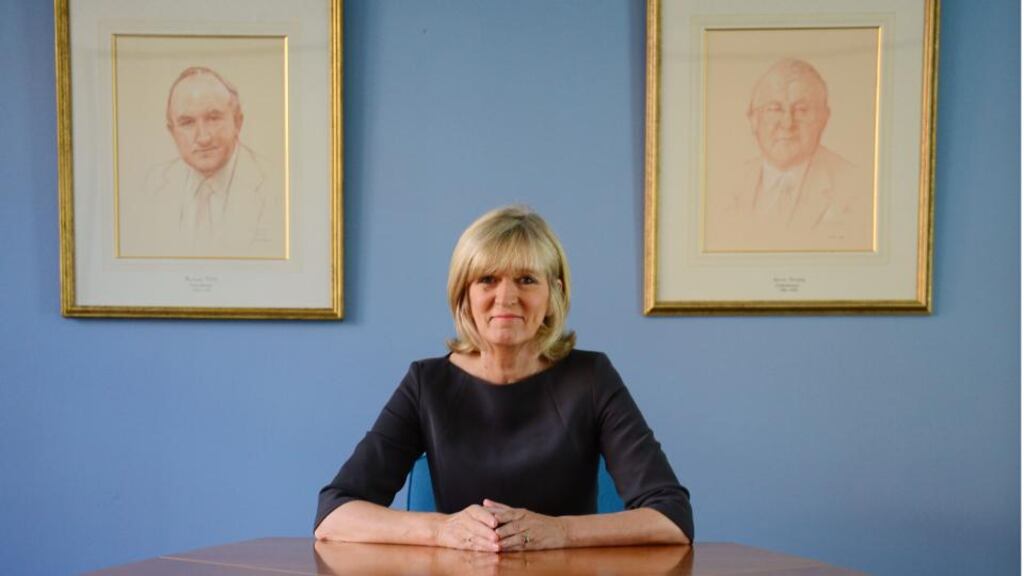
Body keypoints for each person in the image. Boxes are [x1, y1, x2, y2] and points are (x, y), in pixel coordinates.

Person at [315, 206, 693, 552]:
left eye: (527, 279)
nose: (506, 296)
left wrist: (561, 532)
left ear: (554, 293)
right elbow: (335, 514)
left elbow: (671, 517)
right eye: (487, 279)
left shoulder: (591, 378)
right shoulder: (426, 383)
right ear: (464, 294)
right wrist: (441, 530)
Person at [707, 58, 872, 252]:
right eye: (774, 109)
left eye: (801, 110)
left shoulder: (858, 186)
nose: (787, 123)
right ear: (753, 119)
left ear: (824, 118)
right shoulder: (723, 185)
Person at [121, 66, 283, 258]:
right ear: (172, 132)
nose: (203, 137)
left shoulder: (277, 185)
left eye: (214, 118)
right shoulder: (151, 185)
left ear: (238, 122)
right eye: (187, 123)